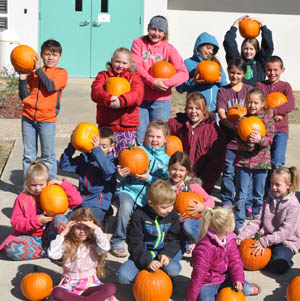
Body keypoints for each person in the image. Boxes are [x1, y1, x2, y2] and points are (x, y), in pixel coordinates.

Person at [110, 120, 170, 257]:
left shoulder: (166, 161)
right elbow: (124, 174)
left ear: (165, 139)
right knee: (125, 208)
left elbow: (165, 184)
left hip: (149, 198)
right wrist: (120, 175)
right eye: (151, 136)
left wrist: (149, 178)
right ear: (145, 136)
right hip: (129, 191)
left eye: (158, 137)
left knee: (147, 219)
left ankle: (144, 240)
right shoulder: (137, 151)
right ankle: (118, 240)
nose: (154, 140)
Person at [0, 161, 82, 260]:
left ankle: (65, 248)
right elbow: (16, 223)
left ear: (47, 182)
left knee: (60, 219)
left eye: (41, 184)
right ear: (27, 183)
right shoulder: (22, 199)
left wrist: (62, 184)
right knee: (11, 248)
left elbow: (77, 201)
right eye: (33, 185)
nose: (37, 188)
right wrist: (37, 221)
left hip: (52, 235)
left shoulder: (54, 192)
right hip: (32, 238)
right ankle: (48, 252)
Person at [131, 15, 188, 145]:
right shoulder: (138, 43)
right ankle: (143, 164)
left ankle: (157, 165)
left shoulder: (168, 48)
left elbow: (183, 73)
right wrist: (152, 81)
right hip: (140, 99)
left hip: (161, 101)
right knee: (141, 137)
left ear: (165, 32)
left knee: (158, 138)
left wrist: (165, 83)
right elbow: (136, 66)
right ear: (148, 28)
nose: (156, 33)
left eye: (160, 31)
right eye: (153, 29)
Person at [18, 39, 68, 179]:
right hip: (28, 119)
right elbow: (24, 96)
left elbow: (50, 86)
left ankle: (51, 184)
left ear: (60, 57)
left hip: (47, 120)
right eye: (47, 54)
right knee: (29, 156)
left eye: (54, 55)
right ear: (41, 55)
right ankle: (29, 186)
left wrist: (38, 70)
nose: (50, 58)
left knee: (48, 155)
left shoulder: (61, 73)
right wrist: (22, 79)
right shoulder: (32, 75)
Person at [236, 166, 300, 275]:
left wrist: (264, 242)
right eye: (271, 184)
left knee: (277, 266)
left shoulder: (293, 205)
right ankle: (268, 256)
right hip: (267, 237)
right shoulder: (268, 200)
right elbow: (256, 222)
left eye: (277, 185)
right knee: (242, 253)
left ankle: (286, 260)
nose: (273, 187)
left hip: (286, 242)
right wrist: (242, 236)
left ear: (289, 185)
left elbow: (285, 232)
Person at [186, 207, 260, 300]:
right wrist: (191, 298)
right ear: (227, 229)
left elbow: (235, 261)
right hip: (208, 283)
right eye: (234, 222)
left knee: (246, 289)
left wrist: (238, 279)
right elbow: (198, 275)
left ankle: (240, 287)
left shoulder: (230, 240)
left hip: (225, 278)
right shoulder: (205, 248)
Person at [117, 179, 181, 284]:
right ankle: (144, 278)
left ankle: (164, 278)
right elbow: (134, 242)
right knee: (123, 277)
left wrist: (166, 254)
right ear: (151, 203)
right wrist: (147, 261)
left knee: (173, 269)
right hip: (144, 253)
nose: (170, 209)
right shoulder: (139, 215)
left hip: (162, 253)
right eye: (165, 207)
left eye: (172, 205)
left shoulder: (172, 215)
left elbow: (175, 238)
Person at [48, 207, 116, 300]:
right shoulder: (67, 244)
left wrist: (96, 228)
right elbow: (53, 254)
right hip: (70, 284)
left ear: (91, 228)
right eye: (78, 227)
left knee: (110, 288)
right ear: (72, 227)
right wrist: (62, 234)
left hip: (90, 284)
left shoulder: (94, 244)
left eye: (86, 228)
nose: (82, 231)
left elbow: (105, 247)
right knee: (57, 293)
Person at [167, 91, 227, 194]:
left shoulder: (213, 131)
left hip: (202, 181)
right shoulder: (178, 124)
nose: (193, 111)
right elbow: (161, 130)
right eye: (190, 108)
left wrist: (205, 184)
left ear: (204, 110)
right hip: (179, 177)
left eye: (197, 108)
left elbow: (217, 162)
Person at [91, 47, 144, 157]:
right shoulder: (103, 76)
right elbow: (96, 91)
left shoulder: (134, 77)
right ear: (112, 60)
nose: (120, 65)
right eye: (117, 62)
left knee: (125, 157)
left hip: (127, 127)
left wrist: (122, 101)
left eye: (124, 63)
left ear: (130, 63)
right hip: (107, 125)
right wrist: (107, 98)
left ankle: (121, 174)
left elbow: (137, 94)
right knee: (105, 155)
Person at [234, 88, 274, 231]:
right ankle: (238, 223)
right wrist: (248, 141)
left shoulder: (267, 120)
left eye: (256, 102)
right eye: (249, 102)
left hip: (261, 163)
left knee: (259, 195)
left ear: (262, 103)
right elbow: (238, 140)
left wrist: (260, 139)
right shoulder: (241, 120)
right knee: (241, 194)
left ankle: (257, 223)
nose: (252, 105)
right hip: (243, 162)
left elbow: (269, 140)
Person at [217, 57, 253, 214]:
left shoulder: (250, 91)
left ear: (244, 73)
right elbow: (222, 114)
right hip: (230, 139)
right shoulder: (223, 91)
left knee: (245, 172)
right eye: (232, 72)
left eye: (238, 73)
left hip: (246, 140)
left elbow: (256, 112)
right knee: (229, 171)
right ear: (228, 72)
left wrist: (245, 129)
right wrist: (234, 127)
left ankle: (246, 200)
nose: (235, 76)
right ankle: (227, 199)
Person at [59, 127, 117, 224]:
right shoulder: (85, 158)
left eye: (104, 146)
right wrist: (72, 145)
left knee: (85, 225)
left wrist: (97, 150)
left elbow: (108, 173)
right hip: (81, 203)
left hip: (98, 205)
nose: (100, 149)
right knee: (65, 223)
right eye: (97, 145)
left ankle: (106, 213)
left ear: (111, 147)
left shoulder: (111, 162)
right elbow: (65, 166)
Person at [256, 55, 295, 193]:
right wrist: (268, 114)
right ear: (265, 70)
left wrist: (276, 111)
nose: (272, 73)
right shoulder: (260, 85)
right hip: (264, 131)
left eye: (275, 70)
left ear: (282, 70)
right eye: (269, 70)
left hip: (280, 131)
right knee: (264, 162)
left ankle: (281, 189)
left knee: (277, 161)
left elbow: (290, 104)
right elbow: (257, 104)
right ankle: (267, 191)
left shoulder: (285, 86)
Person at [168, 151, 215, 253]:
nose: (177, 173)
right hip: (177, 220)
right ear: (169, 168)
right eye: (174, 169)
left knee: (188, 226)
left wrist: (202, 207)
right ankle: (186, 242)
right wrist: (175, 217)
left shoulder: (193, 186)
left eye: (181, 170)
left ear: (187, 171)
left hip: (195, 220)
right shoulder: (166, 187)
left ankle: (202, 243)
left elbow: (211, 201)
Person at [176, 32, 227, 113]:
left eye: (213, 49)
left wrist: (220, 80)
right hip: (195, 111)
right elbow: (179, 88)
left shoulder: (215, 63)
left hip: (214, 110)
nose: (211, 51)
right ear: (199, 46)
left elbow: (225, 84)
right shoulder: (188, 63)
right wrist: (192, 82)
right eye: (208, 48)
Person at [223, 15, 274, 86]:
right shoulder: (237, 62)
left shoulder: (261, 63)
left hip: (257, 95)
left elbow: (268, 46)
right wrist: (235, 24)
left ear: (256, 50)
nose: (248, 52)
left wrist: (263, 25)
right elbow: (229, 43)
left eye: (251, 49)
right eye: (246, 48)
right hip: (240, 95)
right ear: (242, 49)